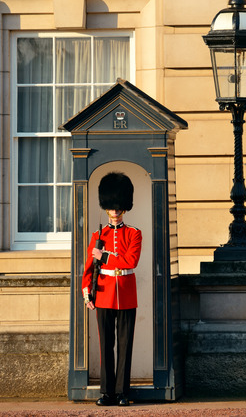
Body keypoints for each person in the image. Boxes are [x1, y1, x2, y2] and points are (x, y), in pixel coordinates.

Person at [82, 172, 142, 407]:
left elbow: (130, 261)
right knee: (106, 345)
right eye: (111, 207)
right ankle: (107, 392)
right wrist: (87, 293)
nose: (115, 211)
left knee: (125, 346)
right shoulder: (98, 235)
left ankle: (122, 392)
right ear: (107, 207)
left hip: (126, 294)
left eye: (118, 207)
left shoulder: (134, 233)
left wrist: (105, 255)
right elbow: (88, 269)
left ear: (124, 208)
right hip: (104, 294)